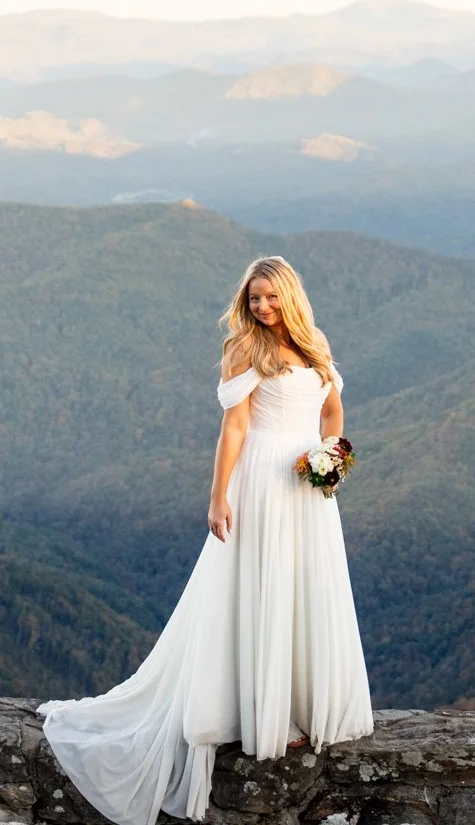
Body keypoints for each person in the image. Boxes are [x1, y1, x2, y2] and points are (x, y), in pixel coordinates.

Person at [36, 255, 374, 824]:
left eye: (270, 297)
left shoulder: (315, 342)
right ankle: (258, 714)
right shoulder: (243, 349)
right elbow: (235, 427)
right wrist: (219, 497)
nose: (262, 307)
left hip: (308, 489)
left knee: (303, 588)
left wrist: (330, 459)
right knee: (257, 590)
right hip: (261, 482)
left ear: (289, 296)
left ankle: (302, 705)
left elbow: (334, 410)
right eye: (253, 298)